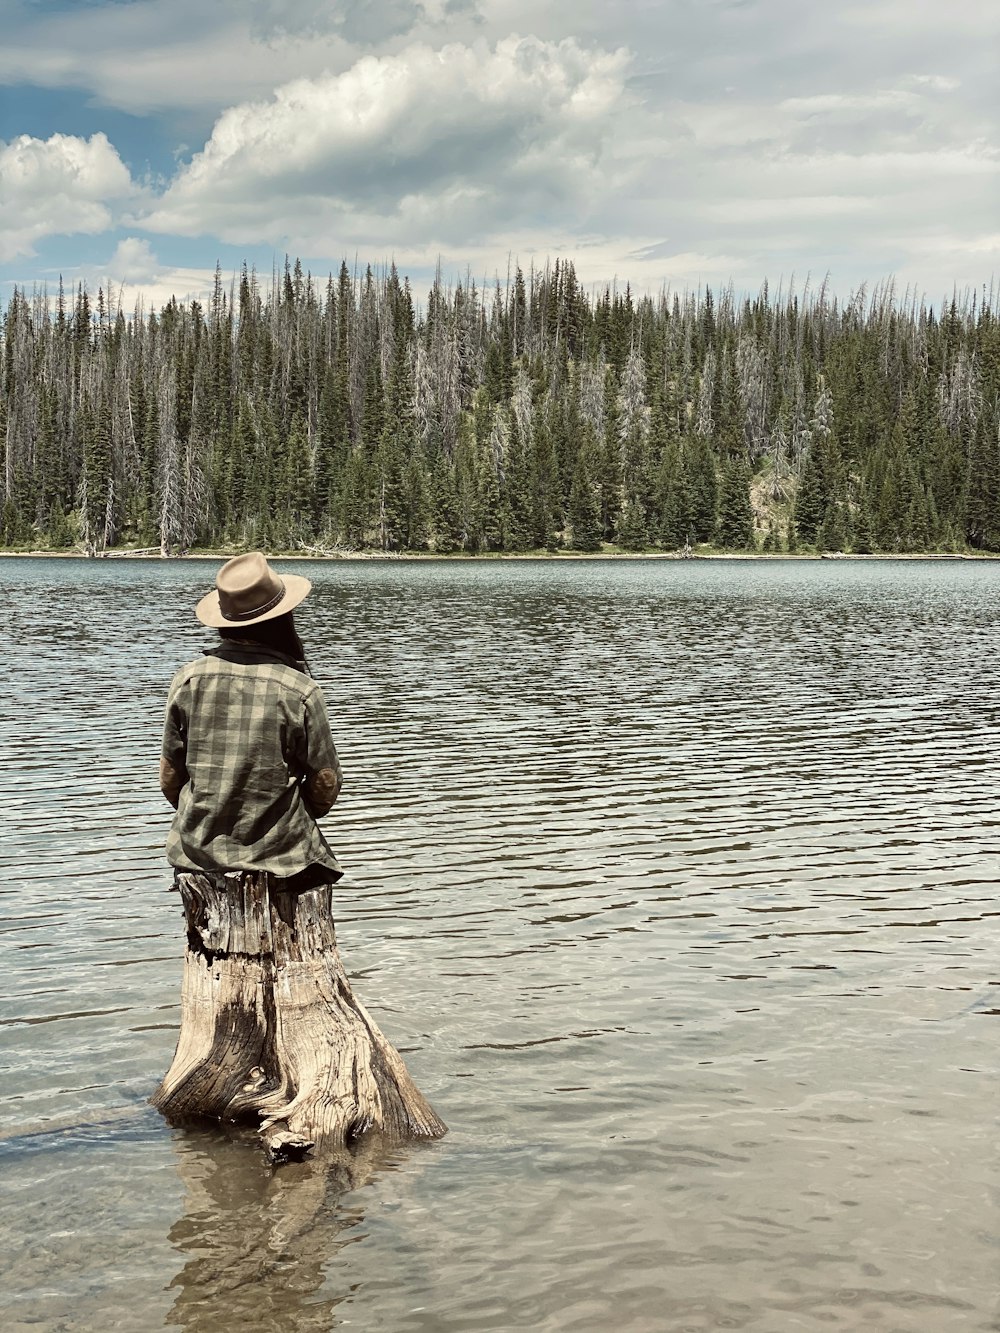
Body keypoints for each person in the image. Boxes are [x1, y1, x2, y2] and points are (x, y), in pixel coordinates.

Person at [160, 551, 343, 889]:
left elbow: (170, 777)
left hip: (197, 855)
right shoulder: (300, 689)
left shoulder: (187, 680)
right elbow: (325, 783)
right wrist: (294, 814)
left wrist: (206, 812)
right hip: (284, 860)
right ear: (282, 618)